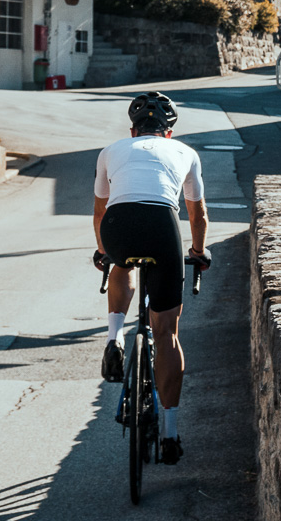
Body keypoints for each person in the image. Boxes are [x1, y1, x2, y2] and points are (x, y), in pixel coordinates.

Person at [91, 91, 210, 465]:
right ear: (169, 133)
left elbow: (99, 211)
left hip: (118, 225)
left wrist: (103, 250)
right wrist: (198, 252)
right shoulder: (186, 154)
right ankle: (170, 433)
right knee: (166, 333)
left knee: (120, 265)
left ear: (133, 130)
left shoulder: (111, 151)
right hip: (161, 227)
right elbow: (198, 216)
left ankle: (114, 338)